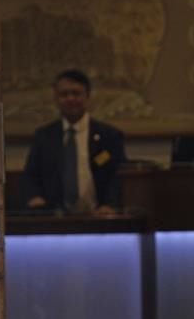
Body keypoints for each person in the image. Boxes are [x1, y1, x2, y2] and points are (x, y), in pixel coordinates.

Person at [20, 69, 126, 214]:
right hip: (54, 219)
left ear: (87, 96)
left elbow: (117, 175)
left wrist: (110, 204)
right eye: (64, 95)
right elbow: (31, 175)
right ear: (56, 99)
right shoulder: (44, 136)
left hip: (100, 216)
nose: (70, 99)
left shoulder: (109, 136)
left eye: (76, 93)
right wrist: (35, 198)